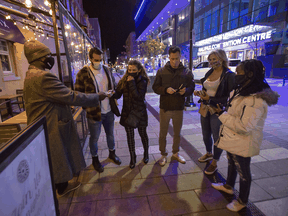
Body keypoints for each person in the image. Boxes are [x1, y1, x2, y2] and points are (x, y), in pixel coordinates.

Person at [23, 40, 107, 197]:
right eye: (48, 55)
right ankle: (61, 186)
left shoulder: (31, 74)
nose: (50, 58)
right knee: (57, 157)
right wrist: (97, 96)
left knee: (55, 157)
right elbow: (71, 96)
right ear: (40, 58)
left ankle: (61, 183)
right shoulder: (43, 76)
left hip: (44, 123)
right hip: (51, 124)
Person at [210, 59, 279, 211]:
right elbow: (235, 113)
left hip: (243, 140)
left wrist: (221, 114)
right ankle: (228, 186)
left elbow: (244, 126)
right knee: (231, 162)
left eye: (238, 73)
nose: (236, 75)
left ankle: (242, 201)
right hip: (233, 138)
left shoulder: (255, 100)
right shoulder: (242, 90)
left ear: (250, 74)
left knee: (243, 171)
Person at [75, 47, 121, 173]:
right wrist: (89, 106)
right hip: (94, 113)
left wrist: (113, 92)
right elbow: (78, 95)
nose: (98, 62)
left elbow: (114, 86)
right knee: (94, 138)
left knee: (110, 134)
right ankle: (95, 159)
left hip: (109, 110)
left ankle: (112, 153)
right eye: (96, 60)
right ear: (90, 58)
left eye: (100, 59)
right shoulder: (83, 73)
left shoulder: (106, 69)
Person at [194, 49, 235, 175]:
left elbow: (230, 97)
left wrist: (210, 99)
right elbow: (206, 87)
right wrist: (200, 94)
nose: (212, 62)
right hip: (205, 107)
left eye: (214, 59)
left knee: (217, 137)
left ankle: (215, 162)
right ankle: (209, 153)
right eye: (210, 59)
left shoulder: (229, 75)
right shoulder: (210, 72)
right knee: (205, 134)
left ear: (222, 59)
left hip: (217, 109)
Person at [152, 46, 195, 166]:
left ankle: (175, 153)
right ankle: (163, 154)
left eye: (176, 58)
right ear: (168, 57)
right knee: (163, 133)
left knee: (177, 132)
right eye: (172, 59)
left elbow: (192, 87)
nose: (174, 61)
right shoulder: (161, 71)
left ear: (180, 57)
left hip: (178, 107)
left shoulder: (186, 72)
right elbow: (155, 87)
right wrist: (165, 90)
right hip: (165, 107)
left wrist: (185, 91)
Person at [113, 60, 150, 169]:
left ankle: (146, 153)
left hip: (139, 113)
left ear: (139, 70)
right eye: (129, 70)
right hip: (127, 112)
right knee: (130, 136)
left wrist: (132, 82)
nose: (131, 72)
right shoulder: (124, 80)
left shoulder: (142, 81)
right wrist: (111, 93)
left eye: (134, 70)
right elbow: (118, 95)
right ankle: (132, 157)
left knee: (143, 134)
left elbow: (138, 97)